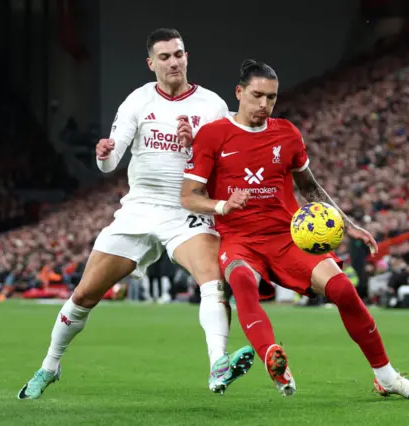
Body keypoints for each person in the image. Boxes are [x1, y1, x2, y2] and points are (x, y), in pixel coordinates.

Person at [18, 28, 253, 400]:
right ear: (151, 63)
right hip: (139, 209)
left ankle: (218, 364)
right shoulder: (137, 101)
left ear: (187, 56)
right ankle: (50, 365)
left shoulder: (212, 106)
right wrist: (103, 153)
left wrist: (196, 146)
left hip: (185, 209)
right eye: (164, 57)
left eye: (178, 54)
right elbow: (110, 164)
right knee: (84, 294)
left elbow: (228, 167)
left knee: (212, 280)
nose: (173, 62)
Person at [180, 59, 409, 399]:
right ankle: (274, 358)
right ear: (239, 92)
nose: (263, 105)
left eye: (271, 98)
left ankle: (387, 377)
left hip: (288, 238)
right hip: (239, 240)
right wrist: (222, 206)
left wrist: (350, 225)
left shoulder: (287, 133)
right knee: (241, 281)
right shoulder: (213, 135)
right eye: (257, 95)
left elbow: (311, 188)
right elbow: (188, 196)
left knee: (344, 291)